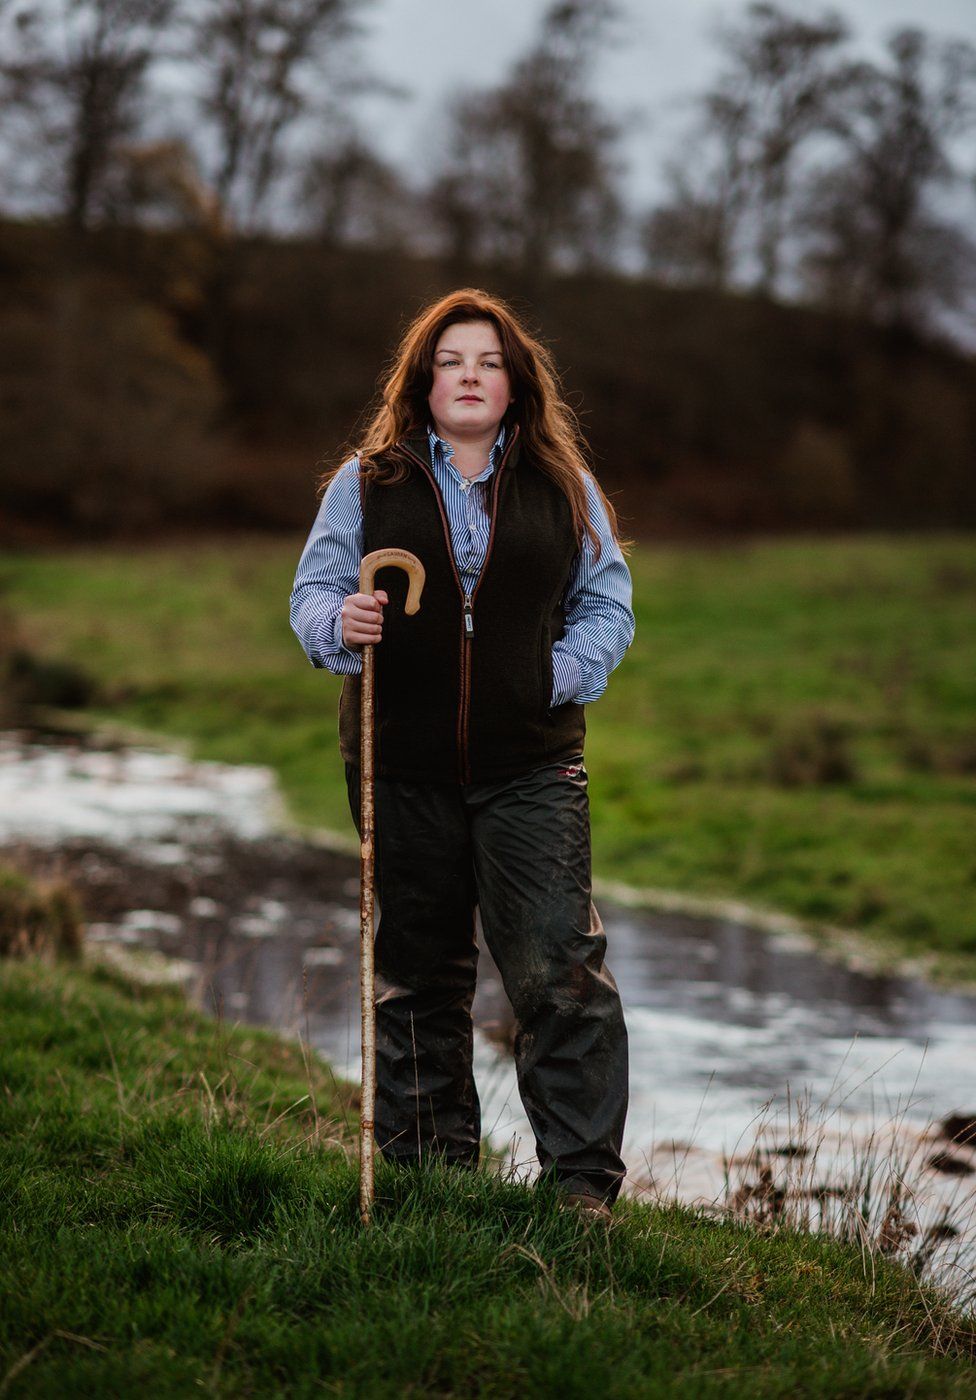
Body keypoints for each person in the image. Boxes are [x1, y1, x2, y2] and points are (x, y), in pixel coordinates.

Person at [289, 288, 634, 1220]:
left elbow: (610, 603)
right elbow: (314, 596)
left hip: (531, 768)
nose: (470, 376)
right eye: (451, 361)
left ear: (514, 384)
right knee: (418, 972)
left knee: (558, 969)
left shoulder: (564, 485)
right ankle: (431, 1178)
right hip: (401, 761)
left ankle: (580, 1191)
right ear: (425, 381)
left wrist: (550, 676)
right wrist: (341, 621)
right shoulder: (366, 483)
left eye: (487, 362)